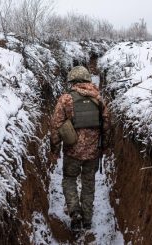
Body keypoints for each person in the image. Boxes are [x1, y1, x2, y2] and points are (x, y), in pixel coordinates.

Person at [50, 66, 110, 231]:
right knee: (88, 183)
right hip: (93, 153)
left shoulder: (65, 99)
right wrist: (104, 147)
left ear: (73, 81)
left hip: (72, 152)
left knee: (69, 179)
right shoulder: (98, 99)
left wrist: (54, 150)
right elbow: (106, 125)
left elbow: (56, 126)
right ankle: (87, 218)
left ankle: (75, 212)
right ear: (87, 80)